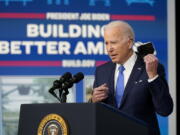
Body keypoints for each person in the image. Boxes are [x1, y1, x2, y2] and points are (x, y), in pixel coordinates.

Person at [90, 21, 173, 135]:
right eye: (106, 43)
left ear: (129, 43)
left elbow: (165, 110)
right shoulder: (101, 71)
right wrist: (94, 100)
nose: (109, 49)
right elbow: (96, 113)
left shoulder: (151, 67)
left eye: (113, 43)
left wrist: (153, 76)